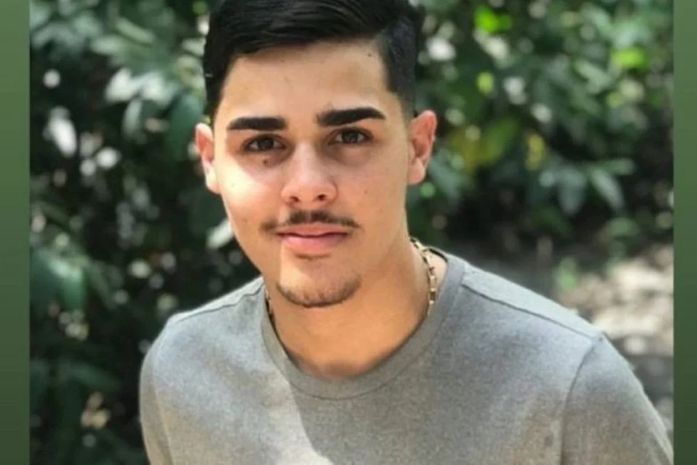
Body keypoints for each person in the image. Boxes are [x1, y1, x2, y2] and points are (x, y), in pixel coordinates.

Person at [139, 0, 673, 463]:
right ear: (211, 159)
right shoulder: (183, 373)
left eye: (350, 136)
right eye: (262, 144)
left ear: (418, 147)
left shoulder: (569, 389)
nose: (307, 187)